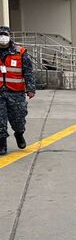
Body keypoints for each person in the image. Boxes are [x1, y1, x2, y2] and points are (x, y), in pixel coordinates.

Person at [0, 26, 36, 156]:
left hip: (16, 93)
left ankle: (19, 134)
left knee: (18, 120)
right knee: (0, 120)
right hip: (0, 93)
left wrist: (30, 88)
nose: (2, 37)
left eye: (5, 34)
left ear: (10, 36)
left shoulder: (20, 52)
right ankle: (2, 144)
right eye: (0, 34)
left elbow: (28, 72)